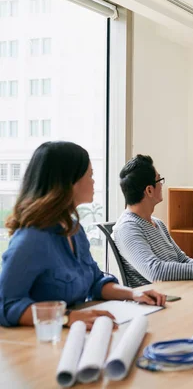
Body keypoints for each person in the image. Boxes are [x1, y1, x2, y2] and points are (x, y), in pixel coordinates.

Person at [0, 141, 166, 329]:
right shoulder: (32, 239)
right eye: (90, 175)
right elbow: (6, 305)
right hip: (40, 341)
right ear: (69, 182)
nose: (94, 181)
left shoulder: (74, 230)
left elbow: (96, 282)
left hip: (76, 334)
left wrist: (133, 294)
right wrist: (68, 318)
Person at [113, 155, 193, 288]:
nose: (161, 185)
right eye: (159, 180)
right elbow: (155, 272)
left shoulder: (157, 224)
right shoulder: (127, 228)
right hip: (158, 302)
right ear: (149, 190)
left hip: (179, 292)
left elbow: (182, 260)